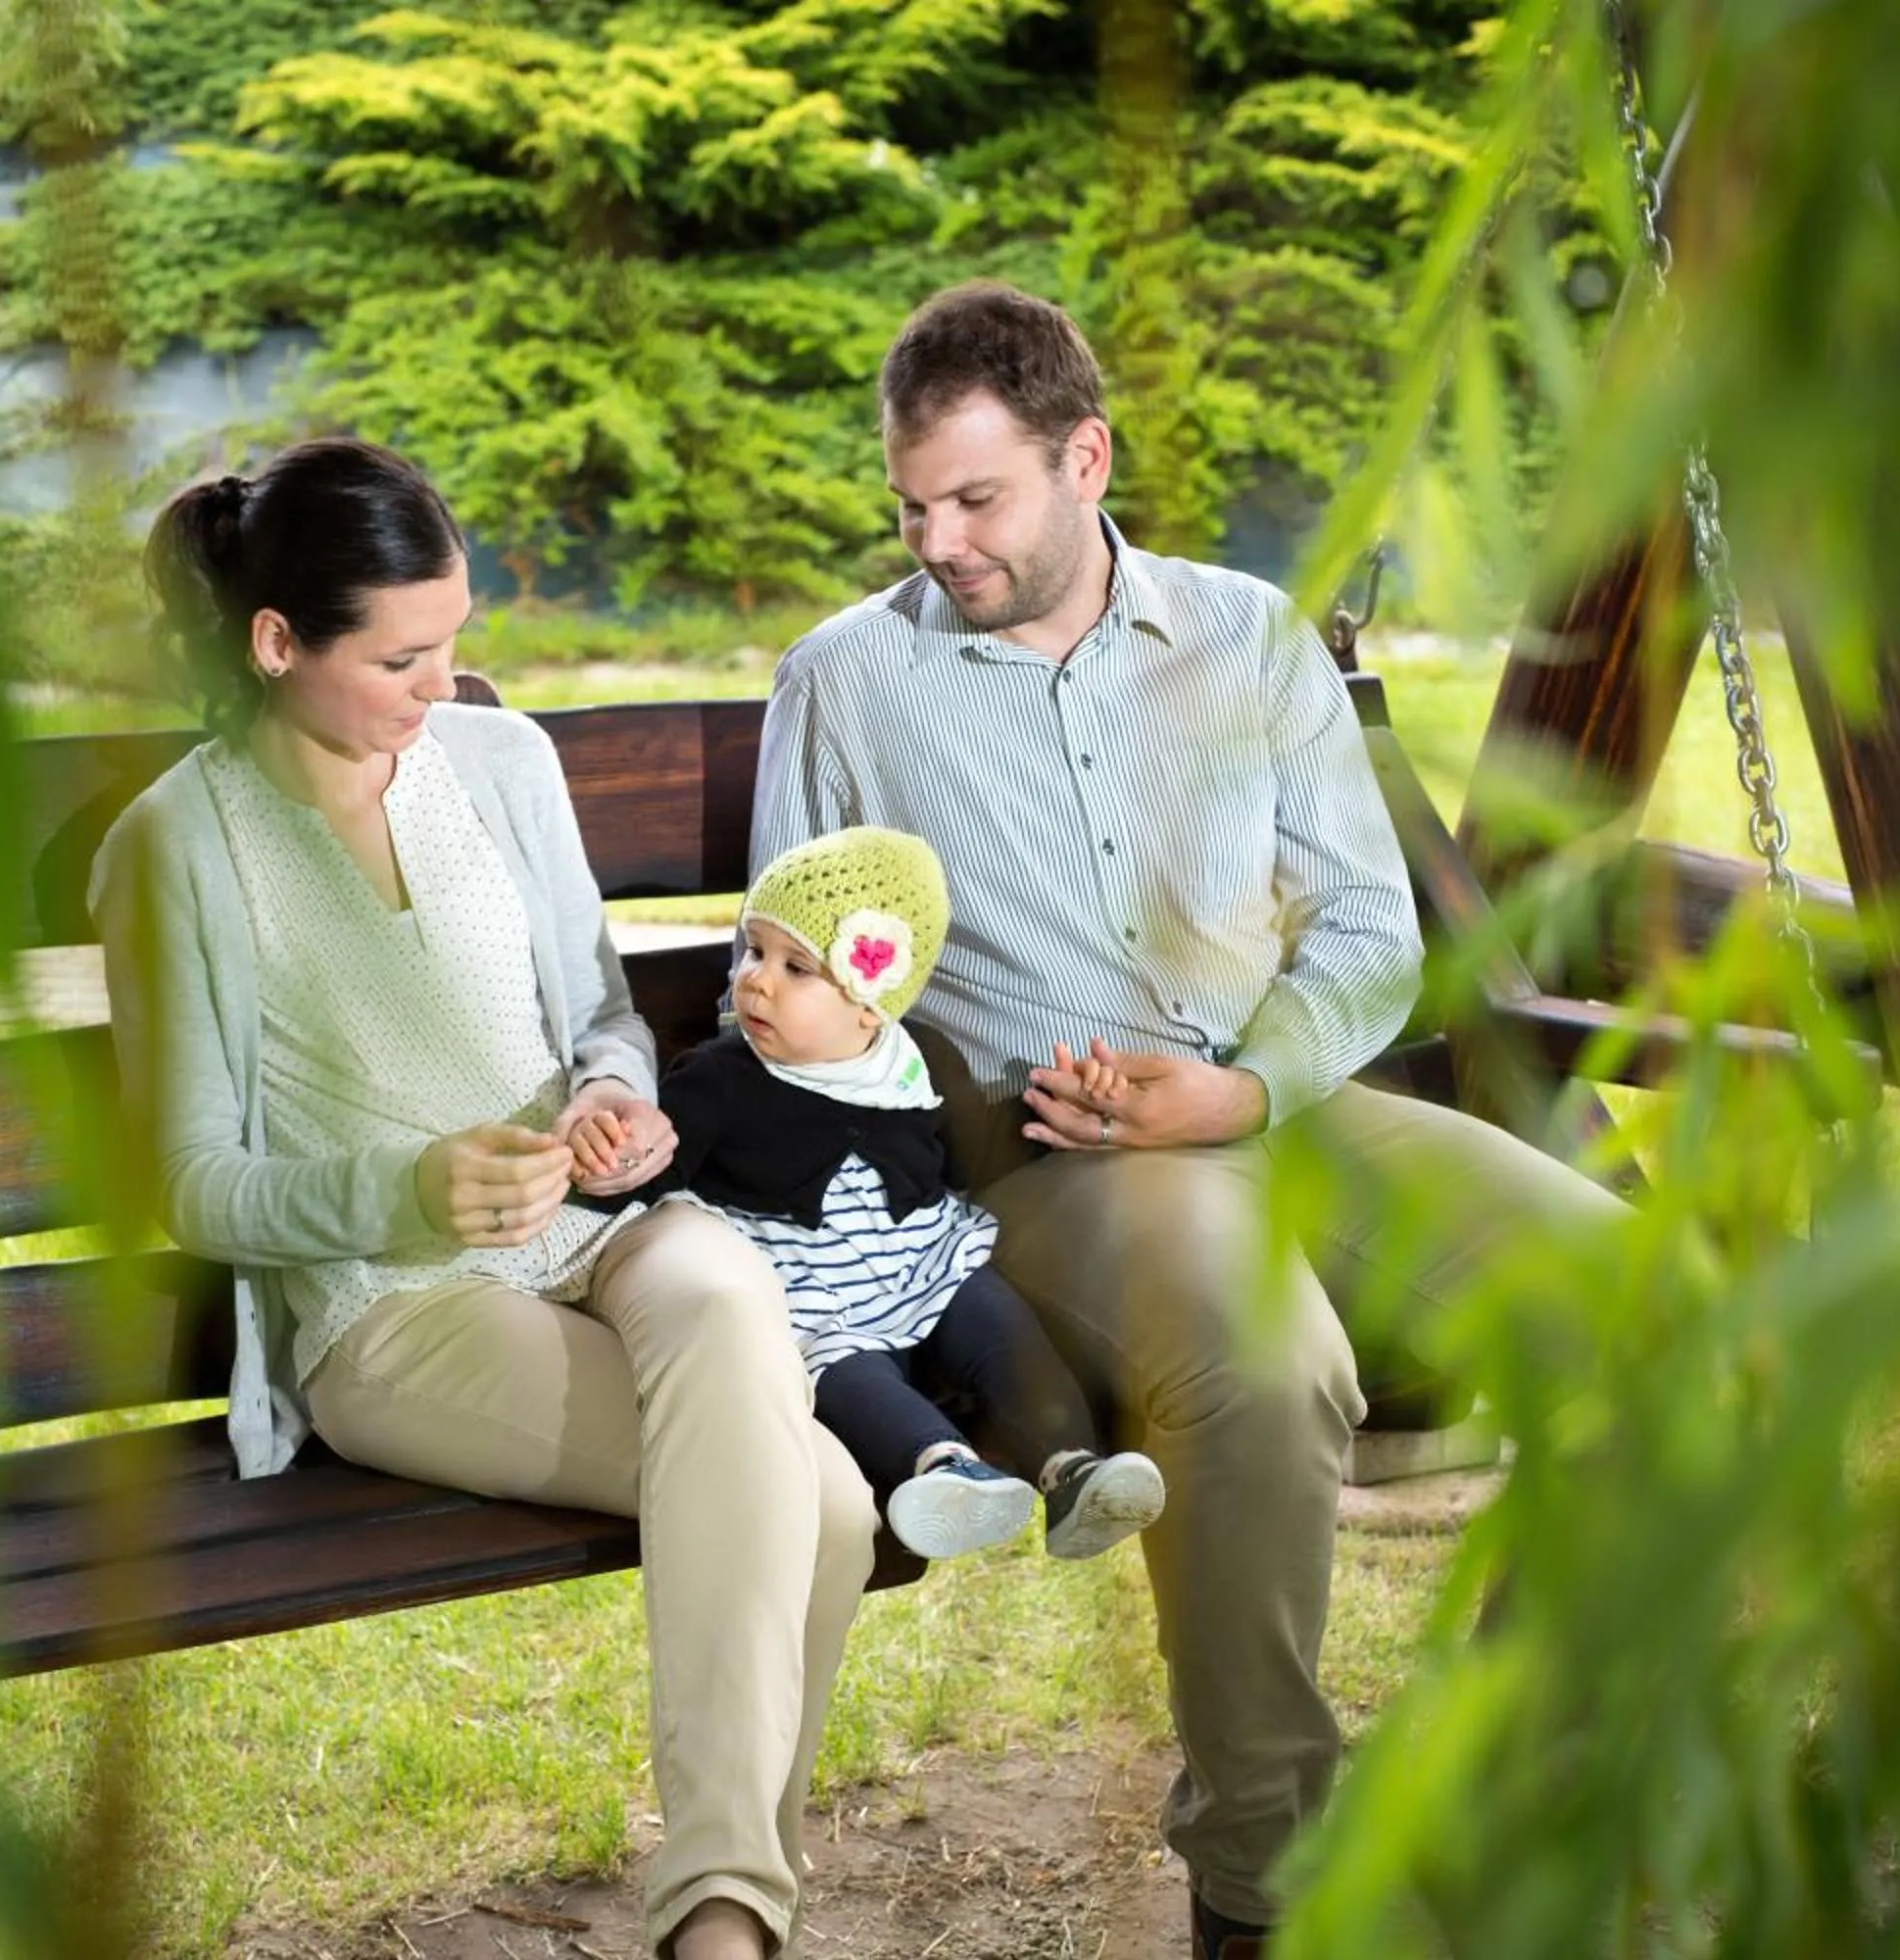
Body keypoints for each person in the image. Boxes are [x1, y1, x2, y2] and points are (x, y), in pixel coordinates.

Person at [751, 282, 1632, 1958]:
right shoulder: (846, 686)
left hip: (1274, 1103)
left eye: (977, 497)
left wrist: (1238, 1081)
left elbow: (1373, 937)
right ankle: (1265, 1882)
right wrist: (953, 1089)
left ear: (1086, 459)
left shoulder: (1248, 637)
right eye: (912, 503)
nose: (938, 539)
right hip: (1046, 1150)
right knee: (1261, 1361)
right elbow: (801, 994)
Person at [90, 437, 872, 1960]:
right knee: (826, 1501)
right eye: (404, 656)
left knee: (721, 1288)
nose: (446, 686)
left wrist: (609, 1098)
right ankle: (733, 1919)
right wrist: (406, 1186)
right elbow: (188, 1185)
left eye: (457, 641)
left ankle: (723, 1923)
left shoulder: (501, 763)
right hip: (395, 1312)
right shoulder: (172, 850)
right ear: (275, 645)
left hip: (604, 1236)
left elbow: (599, 1015)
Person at [579, 824, 1168, 1563]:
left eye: (798, 967)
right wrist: (609, 1164)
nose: (757, 980)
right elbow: (656, 1169)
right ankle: (941, 1472)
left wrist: (1058, 1110)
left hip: (921, 1262)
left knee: (997, 1320)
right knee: (842, 1373)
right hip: (810, 1295)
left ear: (872, 1003)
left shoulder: (918, 1061)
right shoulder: (720, 1081)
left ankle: (1070, 1469)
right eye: (755, 951)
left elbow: (970, 1152)